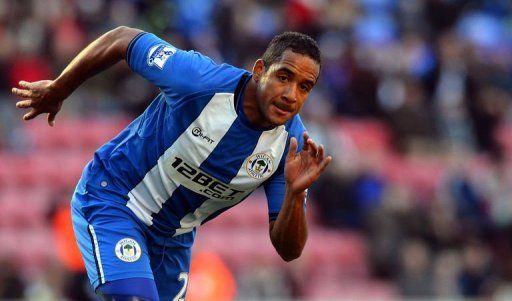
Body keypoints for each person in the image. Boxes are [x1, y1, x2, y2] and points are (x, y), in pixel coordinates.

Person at [12, 26, 332, 301]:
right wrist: (60, 88)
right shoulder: (198, 81)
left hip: (172, 242)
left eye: (304, 87)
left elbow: (288, 250)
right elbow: (124, 39)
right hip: (115, 200)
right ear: (260, 69)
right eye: (284, 77)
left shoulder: (291, 149)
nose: (291, 94)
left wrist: (293, 193)